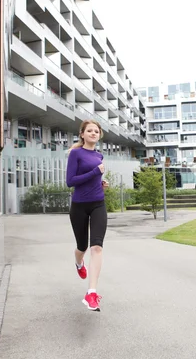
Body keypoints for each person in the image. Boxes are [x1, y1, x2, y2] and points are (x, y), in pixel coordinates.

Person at [66, 120, 109, 311]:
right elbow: (70, 181)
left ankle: (91, 293)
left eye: (96, 131)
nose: (93, 133)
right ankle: (78, 262)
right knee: (82, 246)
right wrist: (94, 172)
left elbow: (94, 178)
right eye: (89, 130)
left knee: (97, 247)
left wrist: (101, 182)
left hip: (98, 204)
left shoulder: (99, 155)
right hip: (79, 206)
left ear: (99, 135)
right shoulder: (76, 153)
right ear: (82, 134)